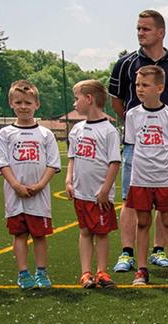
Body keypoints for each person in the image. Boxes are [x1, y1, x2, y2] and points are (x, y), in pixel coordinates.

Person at [109, 9, 168, 273]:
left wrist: (165, 130)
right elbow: (117, 101)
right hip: (138, 145)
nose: (140, 33)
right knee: (130, 199)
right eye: (138, 29)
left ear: (161, 32)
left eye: (145, 29)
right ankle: (127, 252)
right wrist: (139, 124)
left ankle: (159, 250)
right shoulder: (125, 64)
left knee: (165, 200)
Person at [0, 80, 61, 289]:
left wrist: (40, 185)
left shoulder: (45, 134)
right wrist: (16, 185)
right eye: (18, 102)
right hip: (15, 196)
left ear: (37, 105)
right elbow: (2, 163)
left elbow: (53, 163)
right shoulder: (5, 133)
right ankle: (23, 273)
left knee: (40, 235)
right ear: (11, 104)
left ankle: (41, 272)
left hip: (39, 196)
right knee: (20, 234)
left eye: (28, 102)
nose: (23, 106)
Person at [123, 65, 168, 286]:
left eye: (145, 85)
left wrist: (161, 165)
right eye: (137, 84)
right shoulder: (132, 115)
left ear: (159, 87)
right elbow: (132, 145)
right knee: (142, 222)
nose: (139, 89)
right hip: (140, 179)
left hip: (165, 179)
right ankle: (141, 270)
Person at [67, 80, 121, 289]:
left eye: (76, 98)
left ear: (89, 99)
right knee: (85, 231)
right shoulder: (77, 129)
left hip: (100, 195)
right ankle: (86, 273)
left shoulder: (109, 130)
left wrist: (105, 190)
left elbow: (114, 162)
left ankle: (102, 272)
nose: (74, 104)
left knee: (101, 232)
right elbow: (72, 157)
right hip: (81, 193)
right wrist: (68, 180)